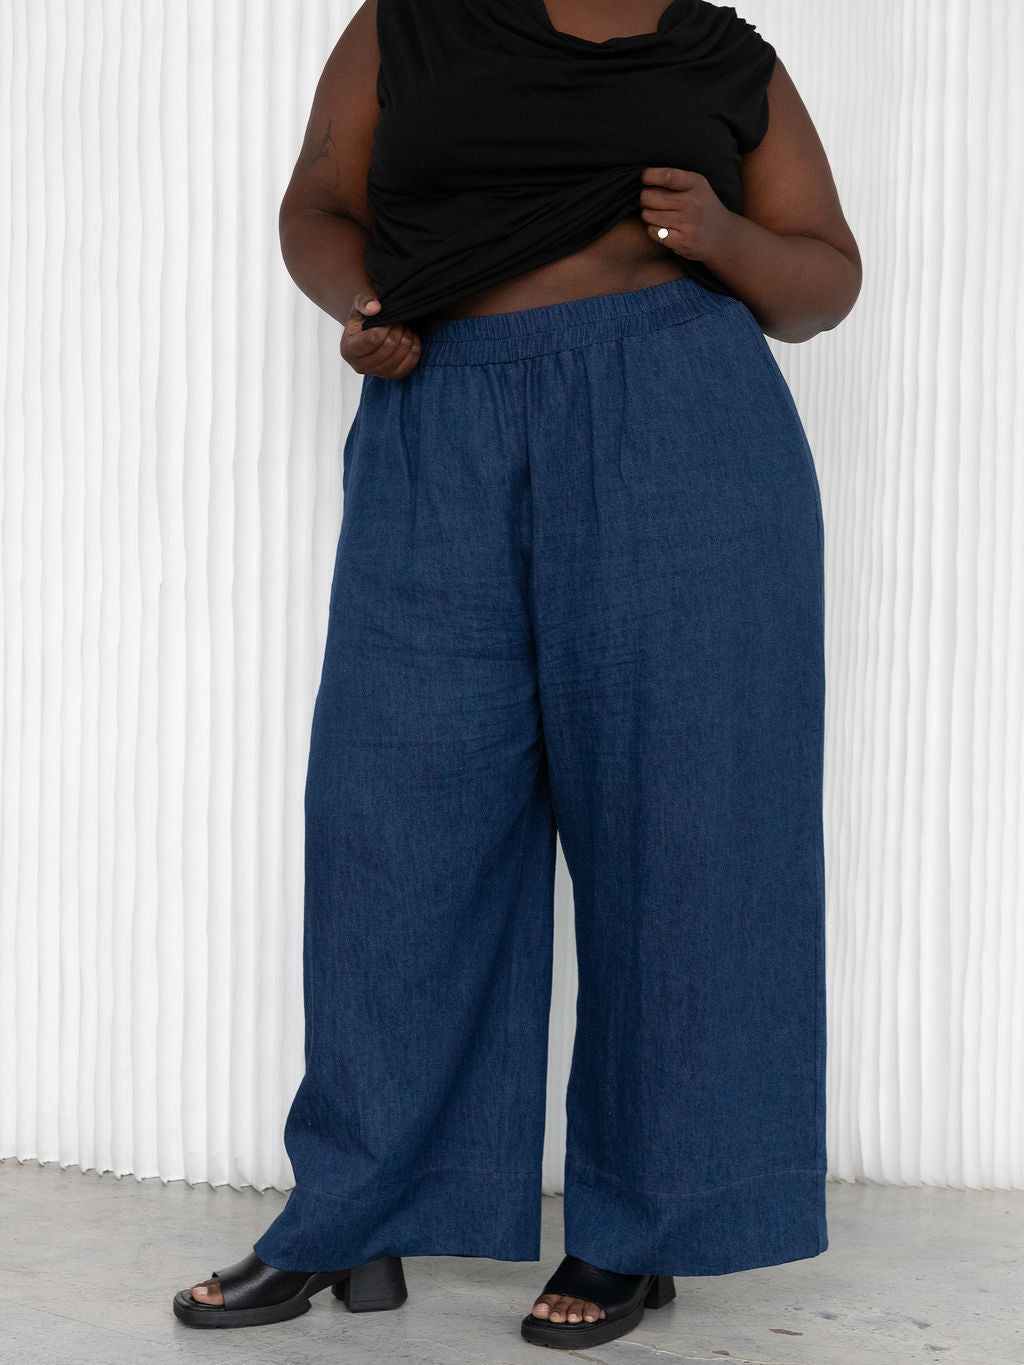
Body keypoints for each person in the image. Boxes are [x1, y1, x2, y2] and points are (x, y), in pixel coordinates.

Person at [173, 0, 861, 1350]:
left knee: (688, 834)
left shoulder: (726, 57)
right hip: (438, 409)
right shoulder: (408, 24)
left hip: (683, 422)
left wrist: (722, 237)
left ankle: (642, 1229)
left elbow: (825, 282)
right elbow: (318, 204)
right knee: (395, 828)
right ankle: (354, 1211)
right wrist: (367, 302)